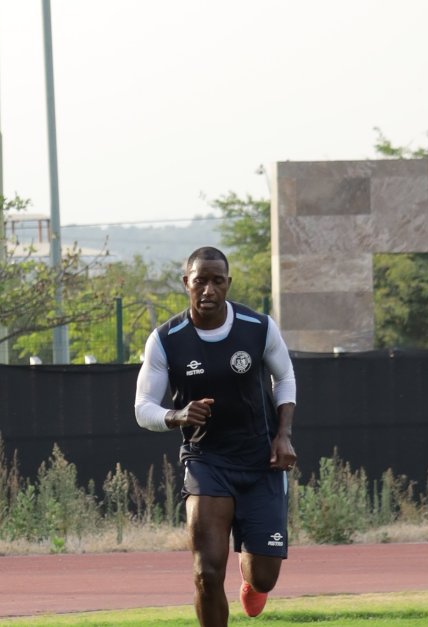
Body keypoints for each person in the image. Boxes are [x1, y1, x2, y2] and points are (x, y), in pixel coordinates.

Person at [133, 246, 297, 626]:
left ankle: (252, 582)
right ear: (185, 283)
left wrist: (283, 434)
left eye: (217, 281)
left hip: (261, 460)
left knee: (264, 576)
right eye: (200, 281)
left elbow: (285, 376)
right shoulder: (165, 340)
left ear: (228, 283)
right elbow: (143, 407)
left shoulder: (258, 328)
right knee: (206, 574)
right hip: (207, 462)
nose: (208, 289)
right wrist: (177, 415)